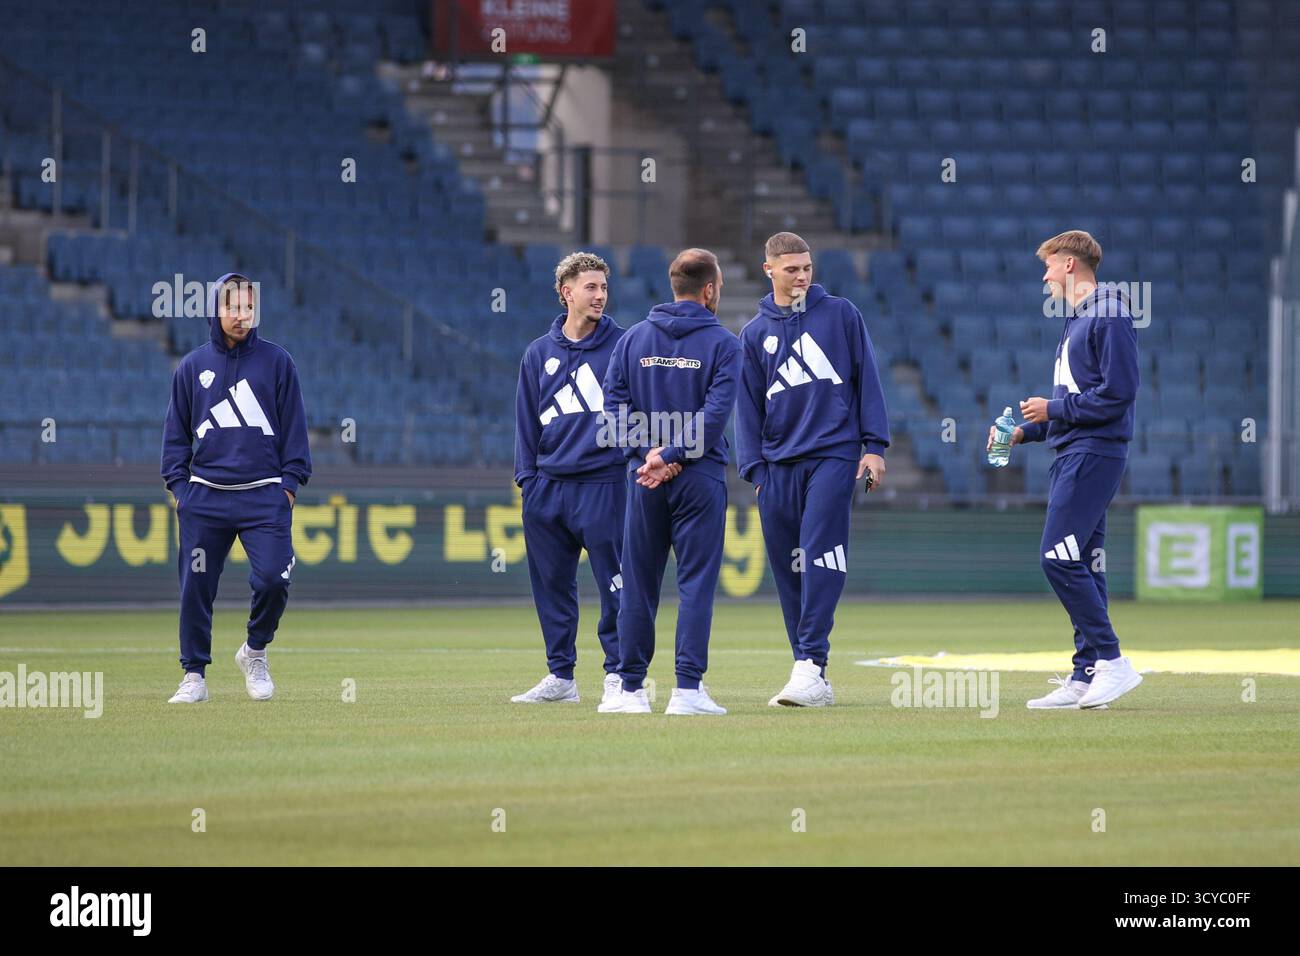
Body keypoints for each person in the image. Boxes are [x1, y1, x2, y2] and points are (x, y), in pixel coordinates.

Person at [990, 230, 1143, 710]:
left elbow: (1118, 395)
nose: (1046, 275)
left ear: (1071, 265)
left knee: (1057, 558)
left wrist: (1052, 411)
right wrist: (1027, 430)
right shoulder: (1080, 319)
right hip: (1076, 451)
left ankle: (1114, 662)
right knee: (1084, 562)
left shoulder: (1110, 314)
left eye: (1050, 265)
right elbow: (1079, 402)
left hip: (1093, 455)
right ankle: (1086, 672)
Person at [735, 232, 889, 706]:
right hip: (777, 467)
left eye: (807, 267)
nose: (802, 276)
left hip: (834, 455)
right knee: (788, 568)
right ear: (769, 270)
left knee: (822, 550)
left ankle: (809, 664)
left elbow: (868, 379)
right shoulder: (753, 334)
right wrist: (756, 474)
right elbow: (746, 409)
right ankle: (810, 670)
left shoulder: (841, 314)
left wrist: (874, 446)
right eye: (791, 269)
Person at [599, 248, 740, 715]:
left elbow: (614, 406)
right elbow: (714, 415)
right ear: (710, 289)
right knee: (696, 583)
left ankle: (631, 690)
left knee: (638, 582)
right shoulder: (724, 344)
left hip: (642, 479)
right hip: (697, 477)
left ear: (673, 286)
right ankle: (686, 692)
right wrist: (673, 455)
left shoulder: (633, 339)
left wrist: (648, 455)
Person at [161, 273, 311, 703]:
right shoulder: (191, 367)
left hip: (265, 495)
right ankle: (194, 676)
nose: (242, 316)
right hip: (204, 497)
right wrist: (180, 488)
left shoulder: (278, 362)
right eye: (233, 308)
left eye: (249, 307)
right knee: (197, 584)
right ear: (216, 309)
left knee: (272, 580)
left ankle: (255, 651)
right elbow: (175, 436)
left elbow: (294, 431)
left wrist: (289, 486)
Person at [512, 252, 627, 707]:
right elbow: (525, 423)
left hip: (606, 485)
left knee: (617, 583)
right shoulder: (538, 353)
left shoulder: (624, 346)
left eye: (603, 287)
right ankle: (561, 676)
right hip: (548, 489)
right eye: (591, 288)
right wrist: (528, 480)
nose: (600, 295)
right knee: (551, 586)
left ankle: (619, 673)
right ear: (566, 293)